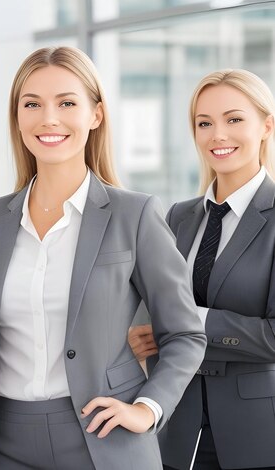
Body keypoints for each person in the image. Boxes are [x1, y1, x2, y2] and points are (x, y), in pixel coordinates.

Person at [0, 46, 206, 470]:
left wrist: (147, 408)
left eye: (67, 103)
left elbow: (185, 334)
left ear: (96, 115)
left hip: (103, 439)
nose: (49, 118)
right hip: (1, 442)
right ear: (17, 116)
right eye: (32, 104)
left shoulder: (134, 214)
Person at [130, 69, 275, 470]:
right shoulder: (178, 216)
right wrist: (145, 336)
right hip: (176, 426)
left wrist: (188, 323)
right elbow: (155, 310)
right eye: (204, 123)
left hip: (257, 433)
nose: (218, 135)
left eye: (233, 119)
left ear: (266, 126)